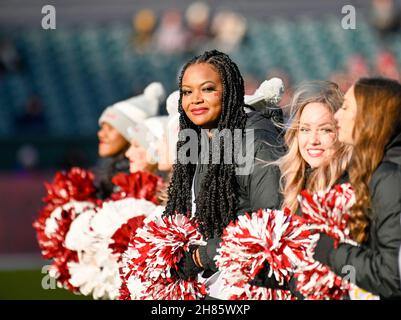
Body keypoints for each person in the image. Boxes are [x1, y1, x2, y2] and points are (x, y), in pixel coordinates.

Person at [163, 49, 284, 298]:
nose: (194, 99)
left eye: (207, 89)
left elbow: (268, 223)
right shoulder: (204, 141)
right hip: (215, 278)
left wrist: (200, 257)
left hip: (249, 284)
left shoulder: (256, 142)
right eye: (187, 92)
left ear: (229, 92)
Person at [249, 81, 353, 292]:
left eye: (325, 130)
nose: (312, 140)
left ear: (342, 134)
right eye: (305, 129)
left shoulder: (352, 192)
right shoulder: (291, 186)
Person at [313, 77, 401, 299]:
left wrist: (331, 250)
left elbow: (392, 277)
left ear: (370, 116)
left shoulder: (391, 177)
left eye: (345, 107)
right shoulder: (382, 169)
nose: (336, 116)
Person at [94, 82, 165, 199]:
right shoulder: (111, 171)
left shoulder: (152, 187)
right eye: (102, 127)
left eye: (110, 128)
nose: (100, 133)